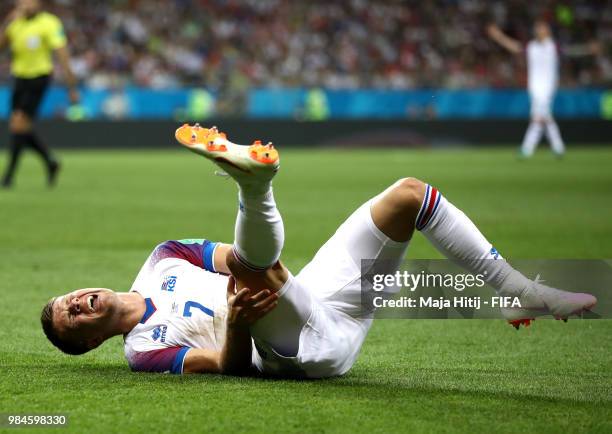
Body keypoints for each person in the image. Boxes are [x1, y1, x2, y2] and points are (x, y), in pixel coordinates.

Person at [40, 125, 596, 377]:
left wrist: (262, 275)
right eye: (73, 319)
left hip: (312, 292)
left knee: (408, 195)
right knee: (252, 284)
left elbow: (240, 259)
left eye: (68, 299)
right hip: (298, 349)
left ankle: (518, 292)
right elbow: (228, 368)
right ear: (90, 341)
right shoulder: (142, 351)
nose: (77, 303)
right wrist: (236, 324)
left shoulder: (164, 258)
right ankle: (256, 186)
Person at [0, 0, 79, 188]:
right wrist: (7, 22)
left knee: (19, 123)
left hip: (39, 78)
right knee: (19, 127)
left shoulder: (50, 23)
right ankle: (50, 161)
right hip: (19, 78)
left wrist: (72, 86)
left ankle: (8, 176)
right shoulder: (15, 24)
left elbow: (62, 54)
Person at [488, 21, 565, 158]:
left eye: (541, 28)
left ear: (548, 31)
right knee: (543, 117)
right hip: (535, 87)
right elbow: (514, 47)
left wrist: (588, 49)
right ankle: (557, 148)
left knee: (538, 118)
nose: (538, 31)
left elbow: (572, 51)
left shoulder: (554, 46)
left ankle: (528, 148)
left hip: (547, 88)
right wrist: (499, 36)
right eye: (537, 28)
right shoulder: (532, 46)